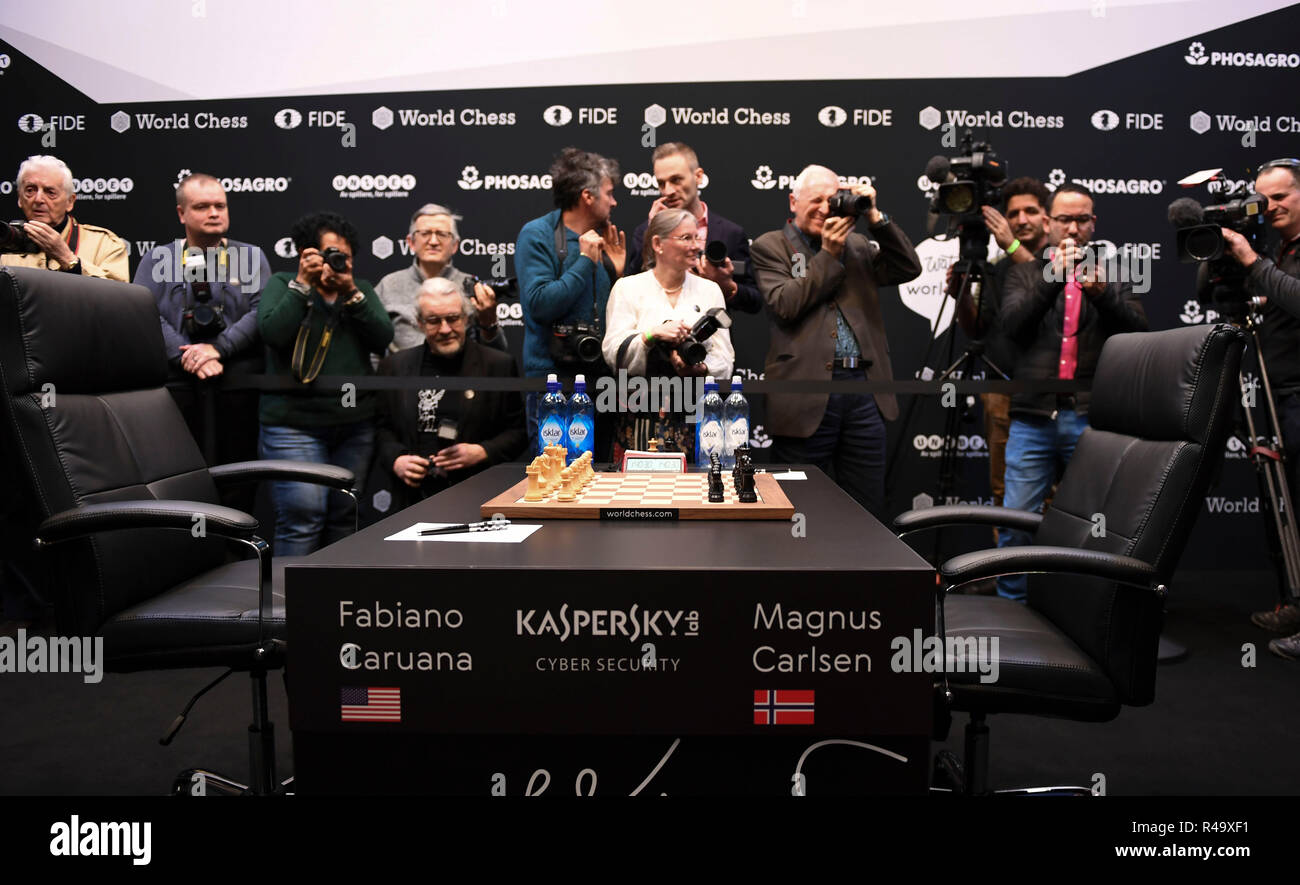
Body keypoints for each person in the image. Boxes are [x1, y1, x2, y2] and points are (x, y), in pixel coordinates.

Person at [995, 183, 1148, 601]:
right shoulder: (1025, 271)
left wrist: (1101, 294)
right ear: (1049, 223)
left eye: (1083, 220)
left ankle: (1084, 612)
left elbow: (1140, 333)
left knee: (1096, 524)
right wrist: (1052, 280)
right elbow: (1013, 328)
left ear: (1093, 223)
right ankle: (1013, 607)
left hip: (1092, 419)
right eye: (1064, 220)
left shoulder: (1115, 271)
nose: (1074, 229)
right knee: (1017, 521)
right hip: (1033, 417)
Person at [751, 164, 922, 518]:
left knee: (867, 505)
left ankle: (864, 573)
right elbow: (785, 304)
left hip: (864, 390)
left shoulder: (858, 245)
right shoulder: (772, 247)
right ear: (793, 202)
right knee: (799, 505)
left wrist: (875, 217)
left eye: (832, 200)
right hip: (805, 391)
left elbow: (908, 268)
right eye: (815, 201)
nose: (824, 209)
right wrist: (829, 254)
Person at [257, 211, 394, 556]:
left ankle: (338, 601)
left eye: (344, 256)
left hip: (353, 426)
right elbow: (273, 333)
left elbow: (383, 337)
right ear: (306, 254)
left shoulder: (358, 290)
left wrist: (351, 294)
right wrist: (303, 286)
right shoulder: (284, 283)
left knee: (345, 515)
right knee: (303, 516)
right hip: (293, 424)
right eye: (329, 254)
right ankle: (286, 606)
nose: (337, 262)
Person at [132, 173, 269, 501]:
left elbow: (260, 312)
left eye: (220, 206)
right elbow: (145, 312)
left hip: (235, 388)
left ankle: (239, 552)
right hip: (176, 391)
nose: (214, 213)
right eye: (202, 206)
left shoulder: (251, 256)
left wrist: (218, 348)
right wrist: (187, 356)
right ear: (182, 214)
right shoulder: (156, 259)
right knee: (179, 482)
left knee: (238, 483)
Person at [1219, 158, 1300, 657]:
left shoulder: (1271, 258)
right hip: (1278, 392)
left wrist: (1253, 263)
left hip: (1297, 393)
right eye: (1262, 199)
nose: (1268, 208)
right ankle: (1293, 600)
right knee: (1287, 507)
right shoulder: (1282, 251)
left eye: (1280, 197)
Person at [371, 278, 526, 516]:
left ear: (466, 318)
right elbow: (381, 429)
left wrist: (482, 451)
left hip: (479, 495)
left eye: (453, 319)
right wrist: (397, 459)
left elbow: (518, 432)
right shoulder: (394, 367)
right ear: (419, 323)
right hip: (412, 500)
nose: (445, 329)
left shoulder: (498, 365)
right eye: (434, 321)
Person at [948, 177, 1053, 511]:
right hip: (1002, 393)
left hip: (1052, 394)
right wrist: (960, 295)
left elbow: (1053, 292)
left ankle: (1055, 565)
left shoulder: (1064, 260)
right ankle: (1008, 565)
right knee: (1004, 493)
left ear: (1047, 218)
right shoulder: (997, 269)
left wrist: (1010, 245)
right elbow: (977, 330)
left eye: (1030, 211)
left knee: (1059, 499)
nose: (1021, 220)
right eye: (1013, 213)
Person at [603, 208, 735, 461]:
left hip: (695, 414)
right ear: (657, 244)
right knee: (639, 495)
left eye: (697, 238)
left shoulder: (710, 291)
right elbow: (612, 353)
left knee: (695, 494)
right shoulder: (628, 288)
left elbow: (725, 359)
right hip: (641, 415)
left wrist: (700, 369)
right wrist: (651, 336)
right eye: (686, 238)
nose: (696, 247)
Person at [516, 147, 625, 453]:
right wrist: (586, 261)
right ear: (587, 196)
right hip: (553, 384)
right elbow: (539, 304)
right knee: (553, 483)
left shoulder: (605, 239)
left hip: (601, 382)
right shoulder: (538, 234)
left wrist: (616, 275)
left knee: (600, 481)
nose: (614, 201)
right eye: (609, 193)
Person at [624, 142, 762, 314]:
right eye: (661, 183)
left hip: (710, 336)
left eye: (676, 180)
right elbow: (630, 291)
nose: (668, 191)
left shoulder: (730, 233)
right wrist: (653, 231)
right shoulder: (646, 230)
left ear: (698, 176)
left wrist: (727, 287)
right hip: (654, 333)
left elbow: (754, 301)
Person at [374, 203, 507, 359]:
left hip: (460, 378)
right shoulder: (389, 285)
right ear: (410, 242)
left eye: (442, 234)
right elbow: (372, 346)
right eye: (425, 233)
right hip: (403, 378)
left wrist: (489, 322)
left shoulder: (471, 286)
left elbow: (497, 353)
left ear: (455, 245)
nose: (433, 241)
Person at [1, 155, 128, 281]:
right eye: (30, 190)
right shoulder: (5, 246)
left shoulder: (105, 245)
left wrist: (68, 259)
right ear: (19, 198)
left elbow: (118, 298)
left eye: (50, 192)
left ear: (70, 202)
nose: (38, 199)